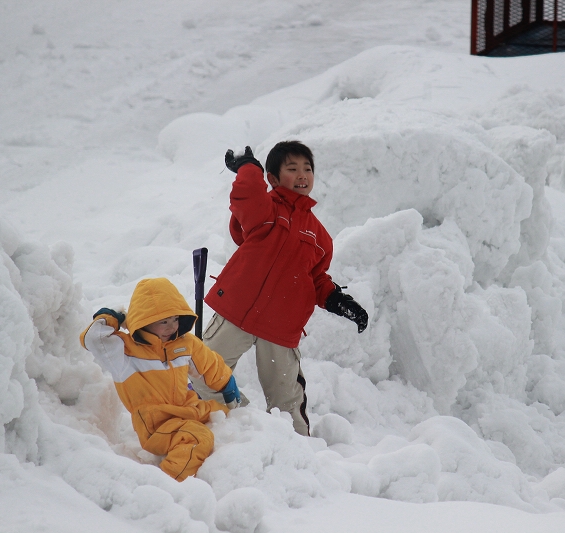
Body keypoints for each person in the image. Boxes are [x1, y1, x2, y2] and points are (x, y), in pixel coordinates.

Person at [190, 141, 369, 436]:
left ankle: (297, 447)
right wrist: (250, 169)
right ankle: (244, 425)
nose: (302, 174)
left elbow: (316, 278)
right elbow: (246, 197)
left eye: (307, 169)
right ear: (272, 178)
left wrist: (338, 299)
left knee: (286, 398)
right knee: (203, 373)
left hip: (281, 325)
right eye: (292, 168)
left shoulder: (320, 236)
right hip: (239, 311)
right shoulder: (266, 211)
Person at [80, 277, 241, 481]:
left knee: (229, 420)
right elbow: (92, 338)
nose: (171, 327)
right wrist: (113, 318)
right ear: (143, 321)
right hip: (156, 424)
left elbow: (209, 365)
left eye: (175, 319)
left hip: (188, 409)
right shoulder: (123, 353)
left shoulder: (184, 344)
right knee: (198, 439)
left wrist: (226, 383)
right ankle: (168, 483)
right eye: (163, 322)